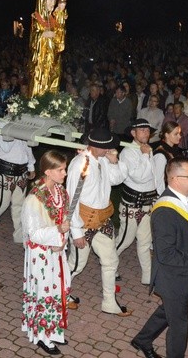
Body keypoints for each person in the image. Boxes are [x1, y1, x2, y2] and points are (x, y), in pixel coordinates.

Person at [131, 157, 188, 358]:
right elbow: (165, 254)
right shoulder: (166, 211)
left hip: (183, 275)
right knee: (179, 326)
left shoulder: (183, 200)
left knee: (167, 312)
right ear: (175, 179)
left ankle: (142, 340)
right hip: (172, 278)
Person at [66, 128, 129, 316]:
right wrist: (75, 232)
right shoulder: (80, 165)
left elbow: (118, 179)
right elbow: (72, 199)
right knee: (76, 265)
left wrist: (115, 161)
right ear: (94, 146)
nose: (109, 150)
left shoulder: (103, 160)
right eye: (106, 148)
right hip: (83, 223)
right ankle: (57, 293)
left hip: (102, 220)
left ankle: (109, 302)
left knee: (111, 260)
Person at [21, 150, 71, 356]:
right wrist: (58, 232)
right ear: (48, 172)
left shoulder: (60, 191)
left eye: (65, 169)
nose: (65, 173)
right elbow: (33, 233)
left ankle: (54, 330)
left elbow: (65, 218)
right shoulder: (34, 199)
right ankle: (42, 334)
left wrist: (63, 239)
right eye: (61, 170)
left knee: (58, 289)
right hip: (41, 254)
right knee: (44, 291)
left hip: (56, 251)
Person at [116, 119, 157, 285]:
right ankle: (109, 263)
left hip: (147, 204)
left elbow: (151, 175)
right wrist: (146, 155)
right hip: (131, 205)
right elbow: (139, 177)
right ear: (133, 133)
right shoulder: (128, 152)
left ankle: (148, 276)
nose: (146, 133)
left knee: (145, 241)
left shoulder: (147, 149)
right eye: (142, 130)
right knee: (125, 239)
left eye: (147, 130)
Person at [0, 119, 36, 243]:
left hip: (21, 169)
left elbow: (27, 146)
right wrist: (15, 129)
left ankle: (19, 233)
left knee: (19, 204)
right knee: (3, 202)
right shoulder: (1, 125)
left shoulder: (23, 123)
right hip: (6, 169)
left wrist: (31, 165)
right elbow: (6, 147)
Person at [27, 0, 67, 97]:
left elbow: (59, 40)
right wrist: (43, 34)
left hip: (52, 58)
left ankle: (49, 100)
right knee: (39, 77)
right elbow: (33, 39)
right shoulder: (36, 17)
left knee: (53, 76)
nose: (52, 3)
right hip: (41, 59)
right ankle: (37, 99)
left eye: (54, 1)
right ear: (43, 1)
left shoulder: (53, 19)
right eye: (50, 0)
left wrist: (61, 20)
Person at [152, 121, 183, 195]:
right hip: (164, 192)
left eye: (179, 133)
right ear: (167, 135)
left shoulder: (174, 149)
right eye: (176, 134)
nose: (179, 136)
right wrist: (163, 197)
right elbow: (158, 180)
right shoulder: (161, 155)